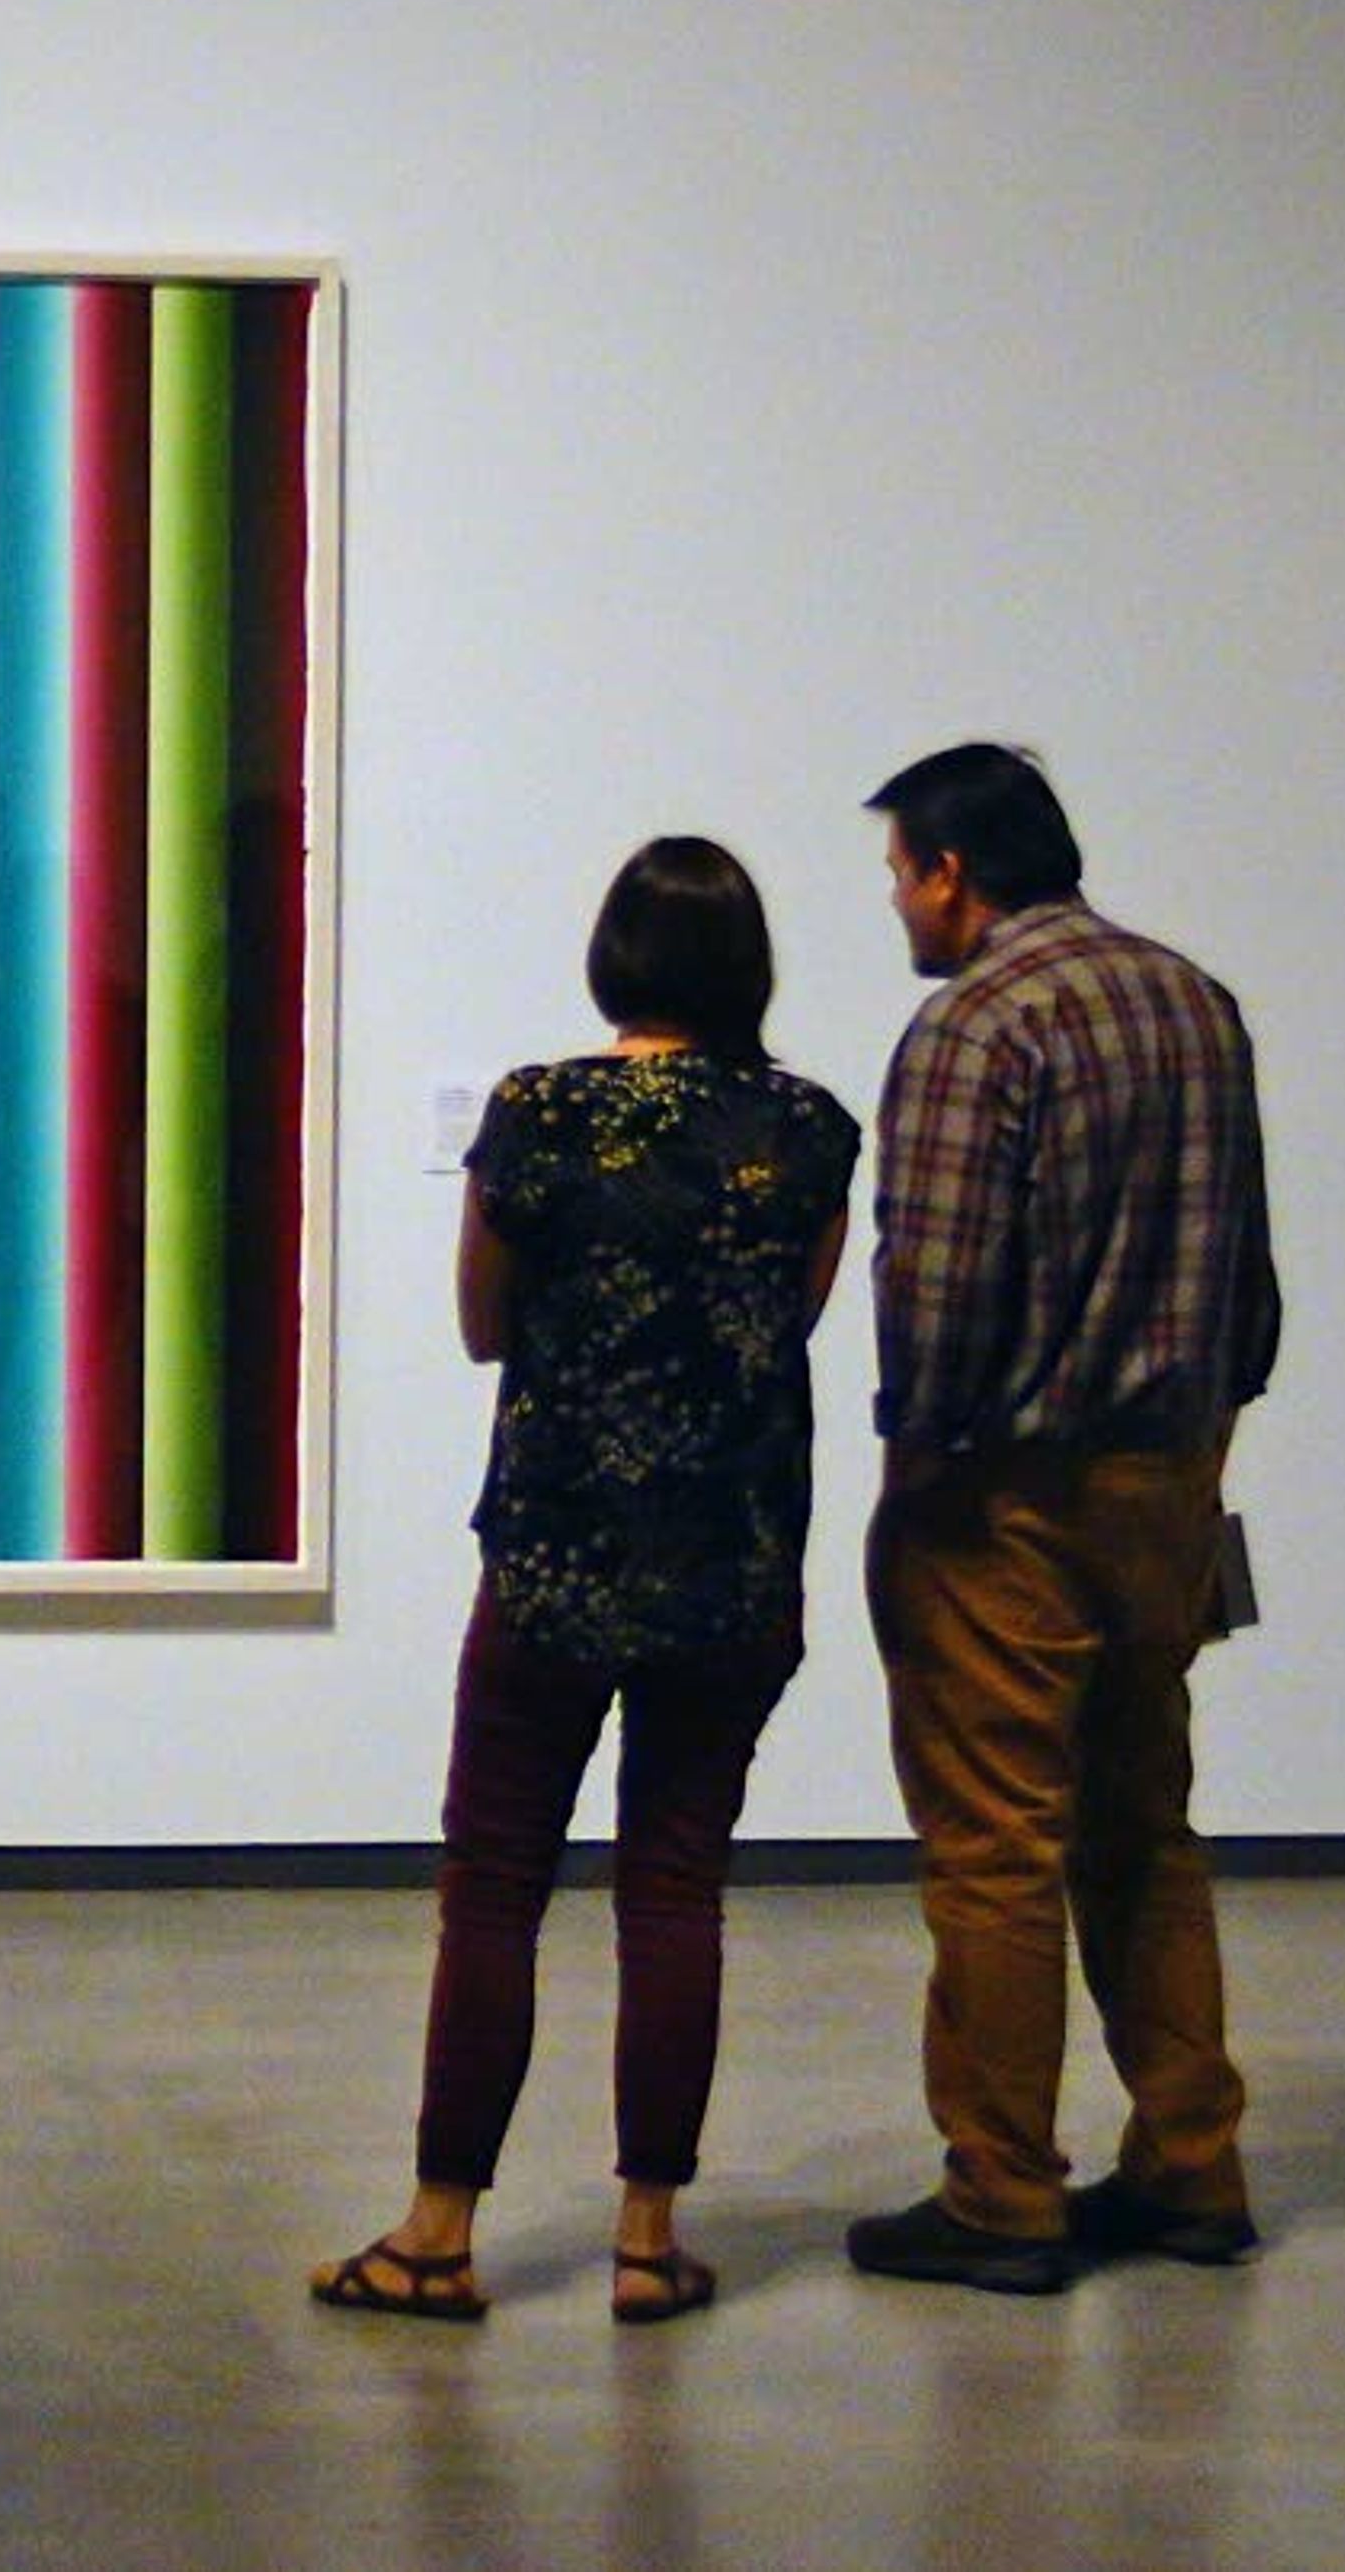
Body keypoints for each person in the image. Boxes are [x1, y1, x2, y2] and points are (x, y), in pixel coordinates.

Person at [314, 837, 857, 2325]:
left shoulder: (537, 1113)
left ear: (612, 960)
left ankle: (437, 2231)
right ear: (749, 969)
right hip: (735, 1563)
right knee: (674, 1890)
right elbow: (790, 1325)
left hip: (554, 1552)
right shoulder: (810, 1130)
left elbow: (485, 1327)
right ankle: (643, 2236)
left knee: (494, 1886)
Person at [842, 742, 1281, 2295]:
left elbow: (939, 1289)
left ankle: (1002, 2189)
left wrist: (920, 1463)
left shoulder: (976, 1021)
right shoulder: (1193, 1000)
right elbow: (1251, 1279)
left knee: (996, 1843)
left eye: (901, 869)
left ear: (954, 870)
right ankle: (1188, 2160)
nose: (896, 900)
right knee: (1144, 1828)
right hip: (1170, 1477)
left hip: (1008, 1494)